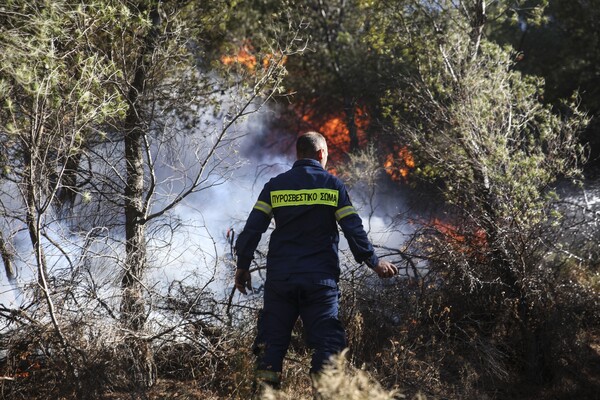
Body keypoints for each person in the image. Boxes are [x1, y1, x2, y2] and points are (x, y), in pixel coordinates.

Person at [234, 131, 398, 391]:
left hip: (281, 281)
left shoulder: (275, 186)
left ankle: (266, 396)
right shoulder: (332, 186)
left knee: (271, 347)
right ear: (322, 154)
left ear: (298, 154)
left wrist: (243, 265)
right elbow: (352, 228)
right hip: (320, 283)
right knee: (327, 345)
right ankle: (322, 394)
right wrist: (374, 262)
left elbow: (253, 229)